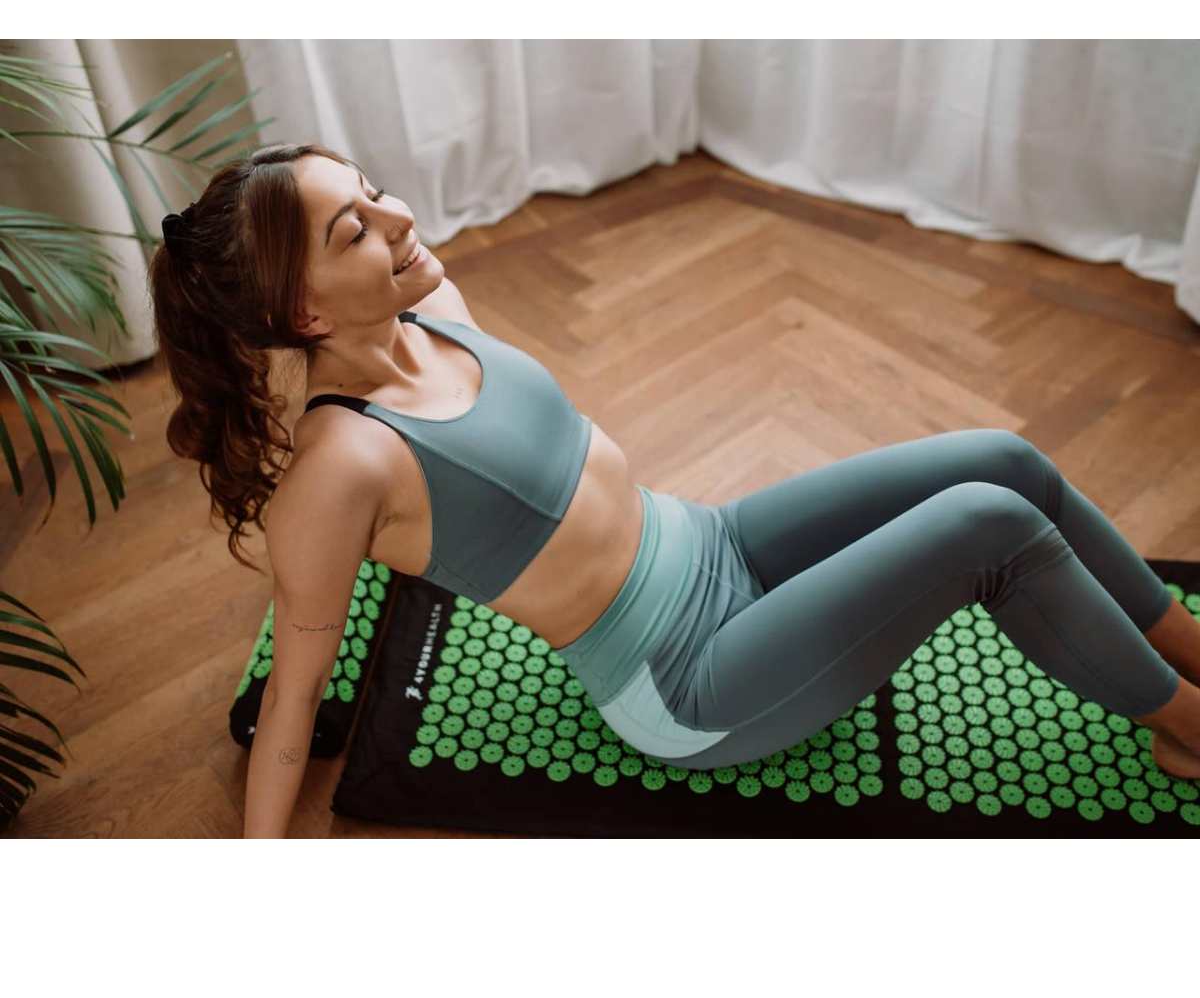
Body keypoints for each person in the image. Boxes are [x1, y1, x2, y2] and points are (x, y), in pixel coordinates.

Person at [149, 142, 1200, 837]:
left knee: (1005, 462)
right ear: (304, 316)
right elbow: (294, 696)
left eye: (373, 191)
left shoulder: (434, 308)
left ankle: (1187, 650)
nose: (398, 218)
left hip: (717, 543)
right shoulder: (342, 467)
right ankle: (1191, 724)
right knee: (991, 527)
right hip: (688, 682)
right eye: (354, 232)